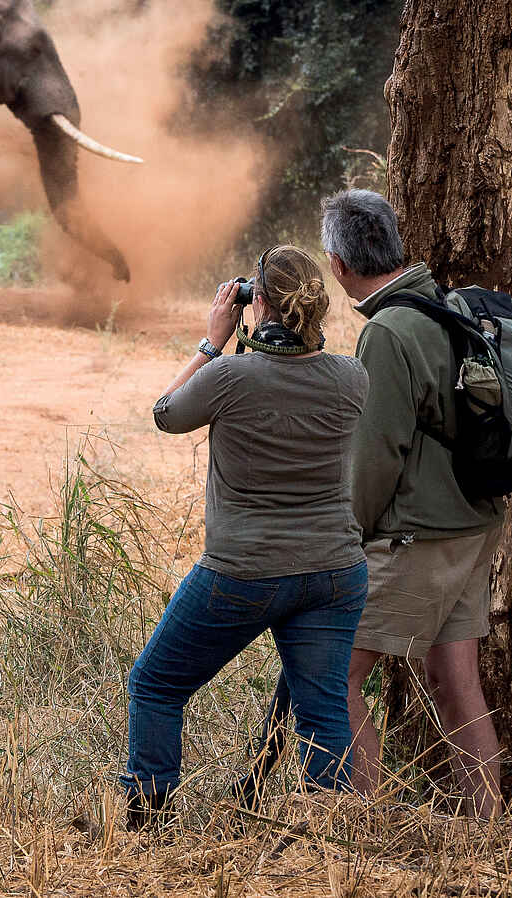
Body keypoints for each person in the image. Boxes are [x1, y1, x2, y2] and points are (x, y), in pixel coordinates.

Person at [122, 245, 370, 828]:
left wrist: (212, 342)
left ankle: (146, 820)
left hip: (242, 572)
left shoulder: (228, 377)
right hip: (333, 572)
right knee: (323, 708)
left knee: (155, 684)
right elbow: (307, 368)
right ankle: (327, 840)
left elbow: (166, 414)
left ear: (256, 302)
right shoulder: (351, 377)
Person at [318, 188, 507, 818]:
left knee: (331, 675)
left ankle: (364, 828)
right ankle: (486, 834)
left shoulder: (388, 333)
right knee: (457, 686)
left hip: (417, 537)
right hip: (473, 527)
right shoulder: (448, 307)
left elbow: (376, 456)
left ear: (339, 266)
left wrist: (345, 538)